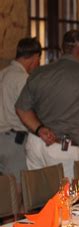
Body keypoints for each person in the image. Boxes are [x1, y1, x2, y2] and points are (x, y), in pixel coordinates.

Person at [15, 30, 79, 178]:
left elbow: (21, 108)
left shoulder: (39, 72)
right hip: (63, 149)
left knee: (38, 198)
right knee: (68, 198)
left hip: (35, 144)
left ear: (62, 49)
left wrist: (39, 129)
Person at [0, 37, 41, 183]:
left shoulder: (2, 73)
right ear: (35, 57)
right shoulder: (23, 79)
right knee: (19, 190)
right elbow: (29, 111)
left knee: (4, 193)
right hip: (14, 144)